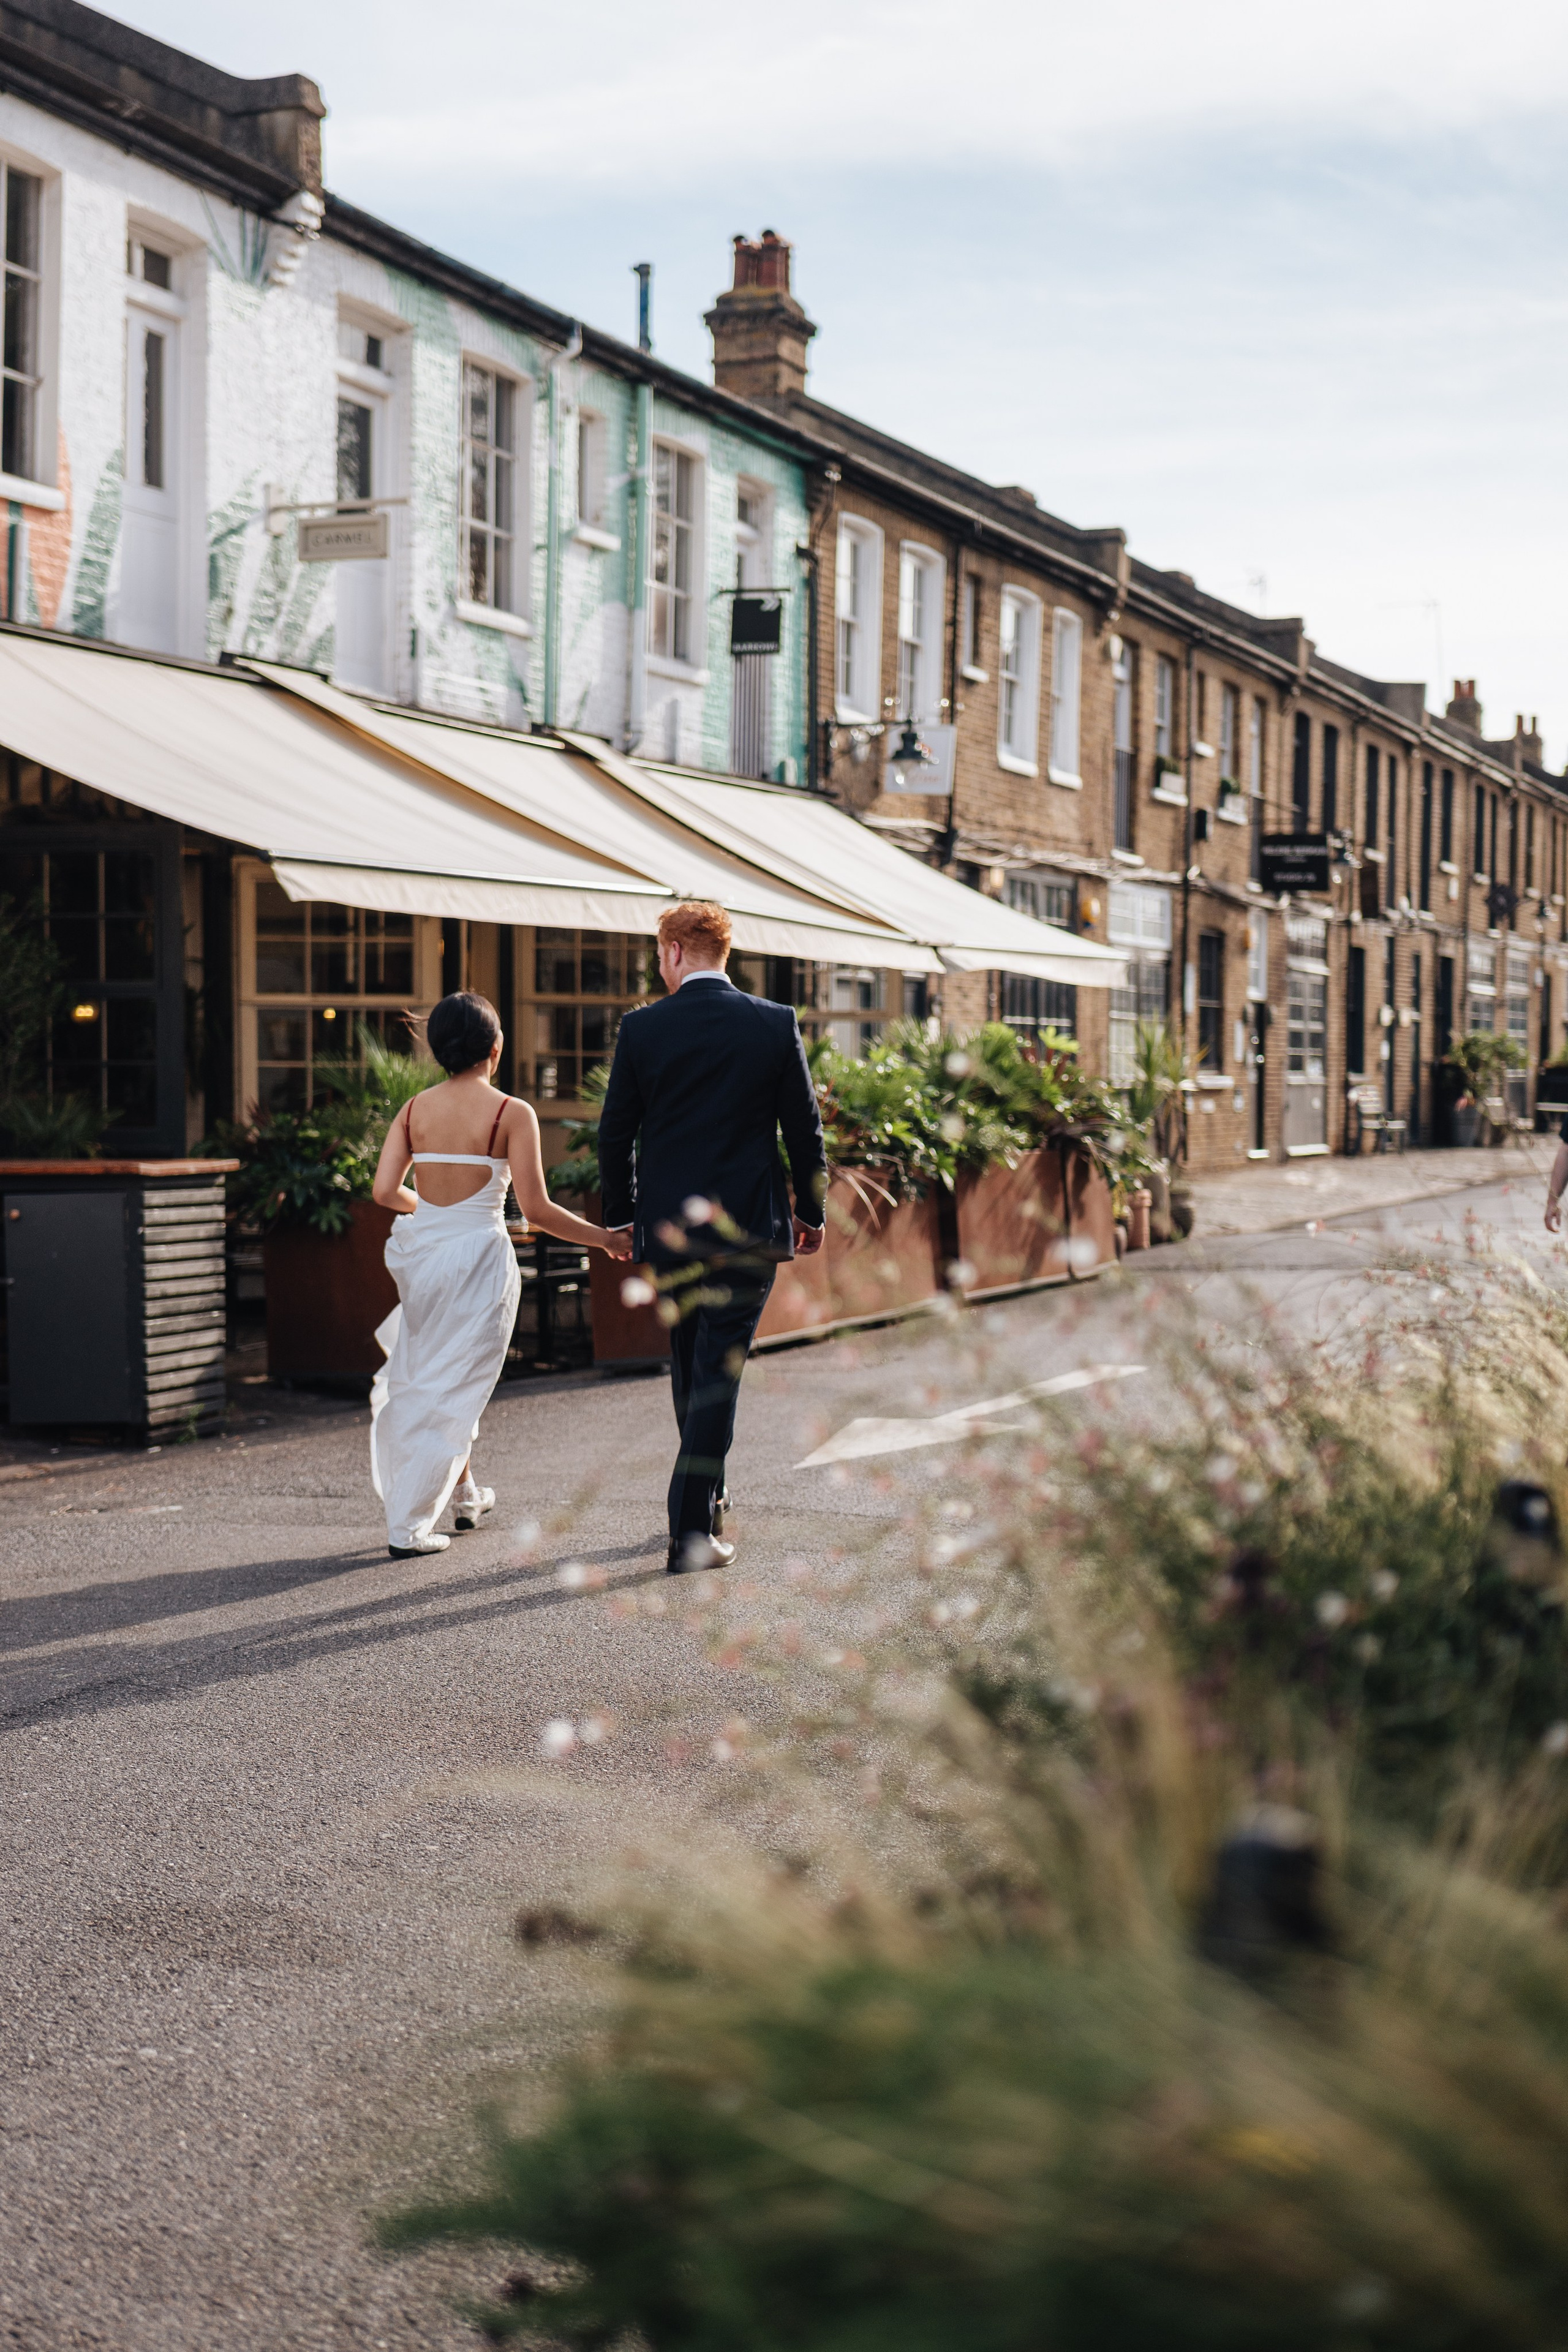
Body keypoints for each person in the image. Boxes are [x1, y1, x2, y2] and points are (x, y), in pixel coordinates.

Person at [598, 902, 827, 1575]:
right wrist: (810, 1214)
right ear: (723, 954)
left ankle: (706, 1501)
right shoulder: (773, 1023)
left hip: (668, 1232)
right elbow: (804, 1132)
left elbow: (616, 1133)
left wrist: (620, 1219)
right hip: (749, 1231)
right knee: (715, 1375)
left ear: (672, 952)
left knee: (691, 1364)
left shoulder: (642, 1029)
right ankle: (692, 1530)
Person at [369, 990, 630, 1559]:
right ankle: (408, 1527)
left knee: (434, 1373)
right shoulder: (513, 1113)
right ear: (497, 1048)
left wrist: (434, 1213)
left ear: (438, 1050)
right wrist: (606, 1238)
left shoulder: (414, 1110)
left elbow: (385, 1191)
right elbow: (536, 1211)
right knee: (458, 1382)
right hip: (480, 1260)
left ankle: (464, 1494)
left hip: (424, 1256)